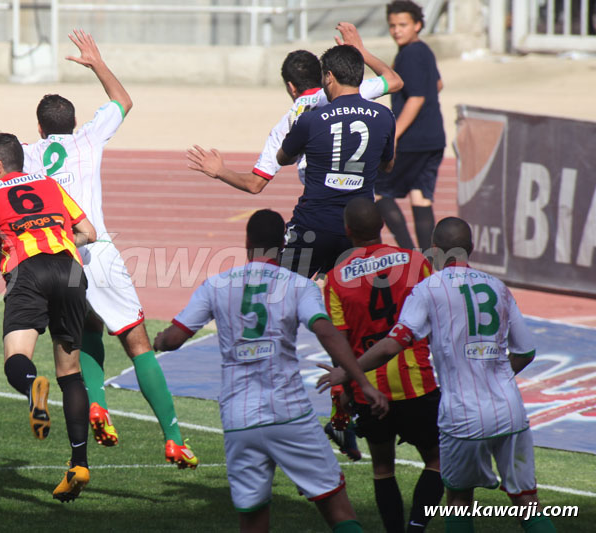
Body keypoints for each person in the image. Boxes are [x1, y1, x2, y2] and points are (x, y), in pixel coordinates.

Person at [0, 29, 198, 468]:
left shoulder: (27, 156)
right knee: (135, 341)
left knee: (84, 333)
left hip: (50, 257)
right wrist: (96, 63)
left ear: (38, 129)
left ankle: (96, 405)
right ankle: (173, 438)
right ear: (73, 124)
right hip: (94, 246)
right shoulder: (89, 139)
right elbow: (123, 101)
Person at [154, 209, 389, 533]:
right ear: (283, 243)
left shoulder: (217, 285)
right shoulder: (298, 285)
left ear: (247, 241)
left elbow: (175, 338)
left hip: (239, 418)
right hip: (288, 412)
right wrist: (362, 381)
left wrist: (159, 340)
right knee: (337, 509)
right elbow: (327, 332)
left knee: (252, 520)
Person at [317, 217, 557, 533]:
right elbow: (525, 352)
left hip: (462, 414)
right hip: (510, 410)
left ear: (435, 251)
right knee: (528, 503)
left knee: (457, 499)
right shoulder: (499, 287)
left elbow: (392, 345)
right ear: (471, 248)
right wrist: (499, 376)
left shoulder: (429, 289)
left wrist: (347, 372)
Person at [0, 132, 98, 501]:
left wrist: (14, 246)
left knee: (17, 357)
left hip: (30, 270)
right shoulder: (48, 184)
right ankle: (79, 465)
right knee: (71, 372)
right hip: (72, 270)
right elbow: (88, 232)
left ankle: (32, 389)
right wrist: (55, 236)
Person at [325, 197, 443, 532]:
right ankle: (416, 527)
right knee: (436, 461)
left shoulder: (335, 279)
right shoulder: (416, 261)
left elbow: (340, 345)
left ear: (348, 230)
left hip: (368, 388)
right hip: (417, 382)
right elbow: (435, 317)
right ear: (382, 226)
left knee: (382, 468)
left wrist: (343, 389)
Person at [187, 22, 401, 195]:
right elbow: (394, 80)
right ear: (325, 75)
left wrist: (219, 171)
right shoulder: (352, 90)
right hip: (360, 205)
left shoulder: (293, 119)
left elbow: (254, 184)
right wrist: (360, 52)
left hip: (319, 206)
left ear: (291, 86)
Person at [275, 44, 396, 278]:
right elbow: (388, 165)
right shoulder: (384, 116)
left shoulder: (311, 120)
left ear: (329, 76)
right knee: (344, 301)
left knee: (283, 290)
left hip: (312, 225)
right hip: (356, 231)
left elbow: (282, 158)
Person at [376, 0, 446, 252]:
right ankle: (429, 259)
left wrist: (395, 134)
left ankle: (408, 251)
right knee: (421, 197)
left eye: (403, 25)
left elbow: (416, 98)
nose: (397, 30)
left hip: (412, 140)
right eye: (392, 25)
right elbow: (437, 85)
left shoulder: (409, 54)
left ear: (417, 25)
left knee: (379, 191)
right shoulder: (425, 50)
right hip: (434, 137)